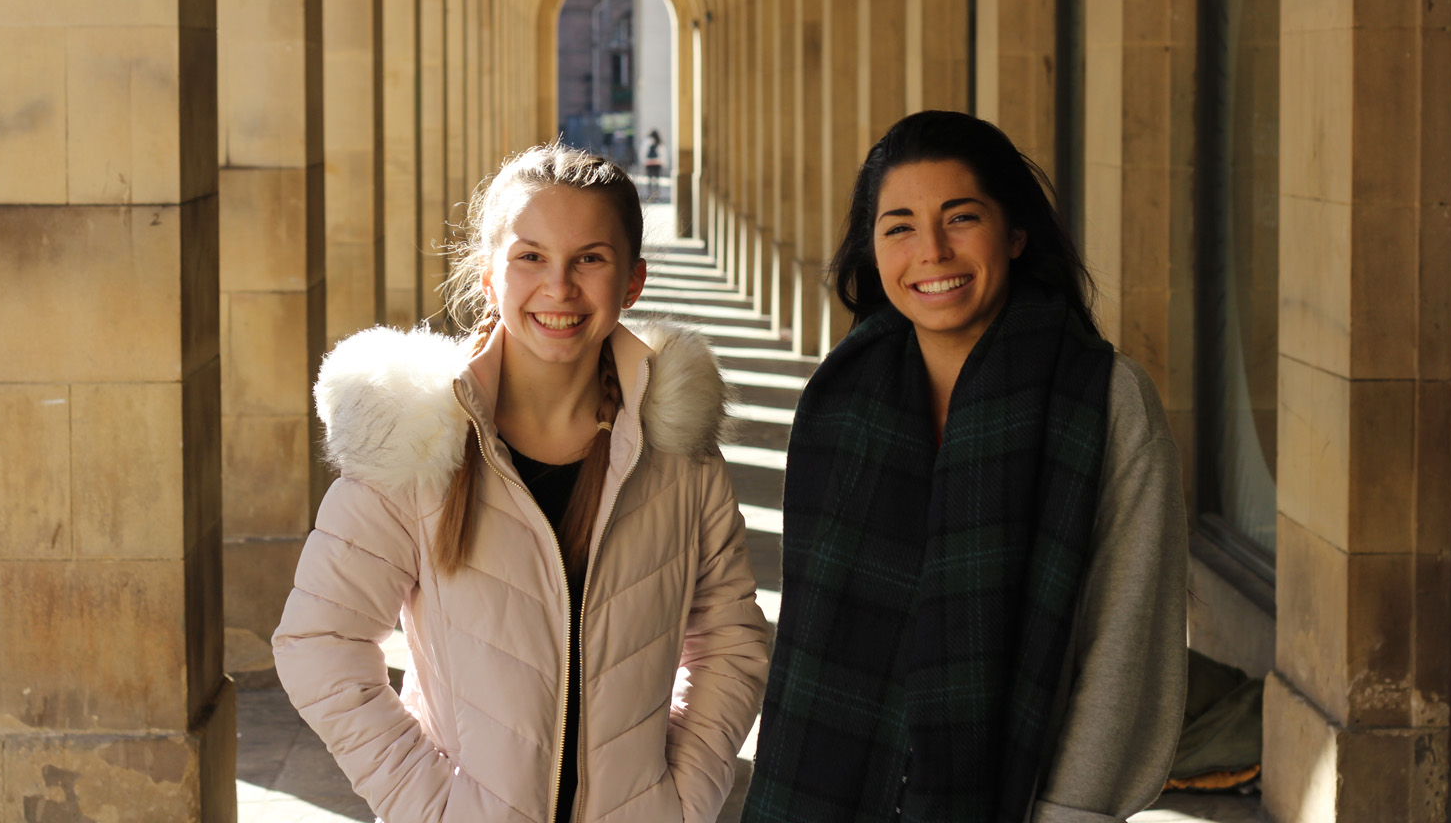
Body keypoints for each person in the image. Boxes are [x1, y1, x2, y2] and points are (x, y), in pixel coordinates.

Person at [274, 144, 771, 823]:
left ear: (633, 281)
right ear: (488, 276)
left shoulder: (679, 454)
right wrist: (435, 808)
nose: (559, 287)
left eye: (590, 259)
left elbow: (732, 641)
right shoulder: (416, 445)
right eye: (530, 257)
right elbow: (318, 642)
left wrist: (681, 800)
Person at [743, 111, 1187, 823]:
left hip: (1020, 800)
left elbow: (1127, 634)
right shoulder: (842, 400)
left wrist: (1074, 809)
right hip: (823, 789)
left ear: (1014, 234)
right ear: (873, 249)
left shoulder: (1103, 399)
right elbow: (806, 639)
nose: (933, 251)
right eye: (899, 227)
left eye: (960, 218)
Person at [643, 129, 665, 199]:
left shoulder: (646, 142)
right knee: (657, 179)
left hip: (649, 163)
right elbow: (663, 153)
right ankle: (656, 193)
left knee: (649, 179)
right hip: (657, 163)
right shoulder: (659, 142)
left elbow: (643, 153)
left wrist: (644, 162)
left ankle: (650, 193)